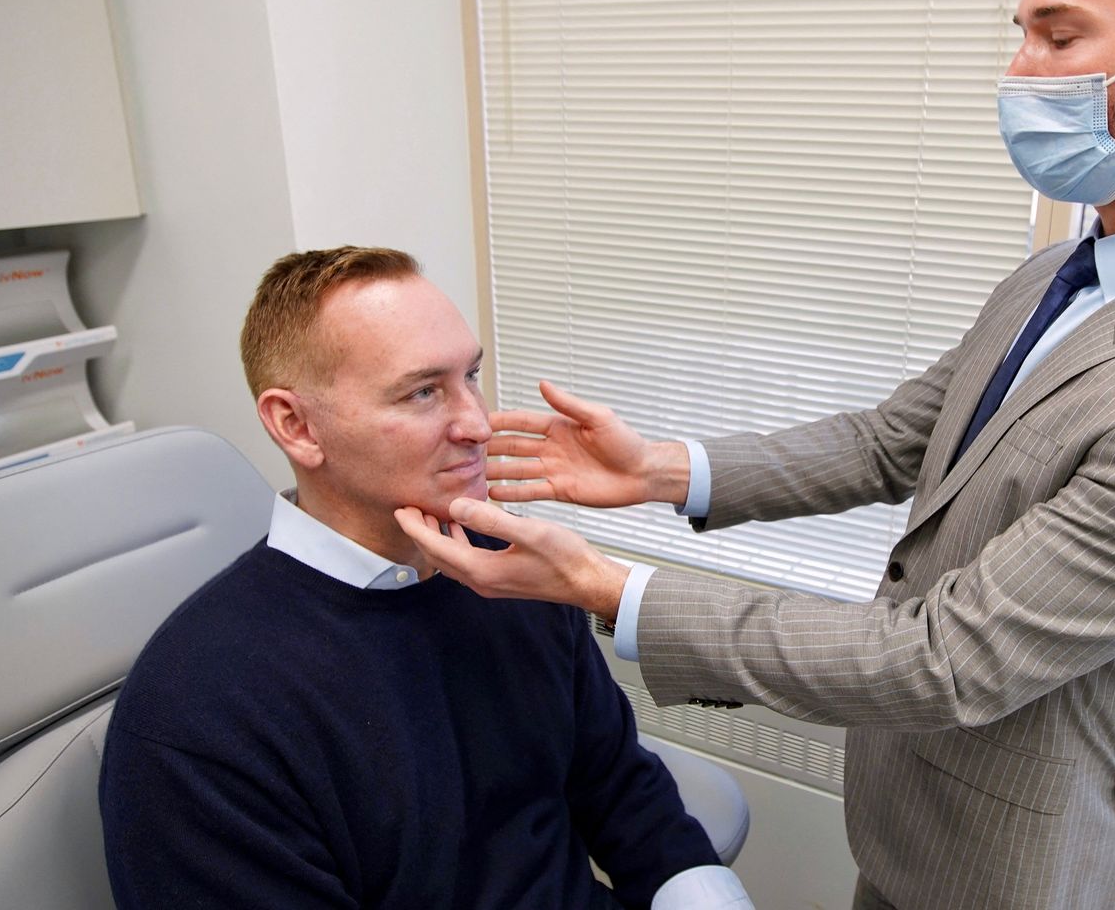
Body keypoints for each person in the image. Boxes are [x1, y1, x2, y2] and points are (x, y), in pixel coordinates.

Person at [400, 0, 1115, 910]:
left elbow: (943, 661)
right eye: (1021, 33)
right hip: (904, 835)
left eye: (1060, 35)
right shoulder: (1061, 273)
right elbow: (896, 441)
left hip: (1011, 877)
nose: (1021, 71)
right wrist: (664, 470)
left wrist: (608, 588)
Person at [98, 247, 751, 909]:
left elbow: (619, 789)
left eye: (471, 376)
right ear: (296, 426)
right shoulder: (197, 713)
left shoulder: (510, 571)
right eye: (422, 392)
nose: (476, 423)